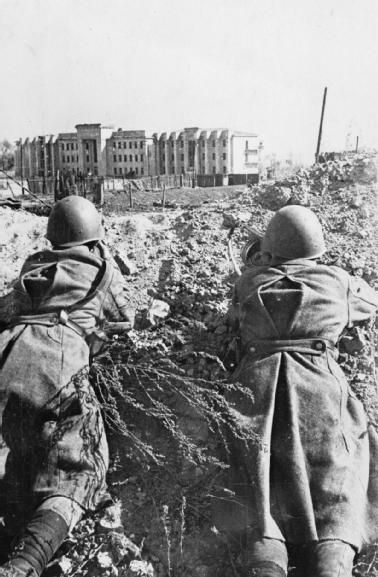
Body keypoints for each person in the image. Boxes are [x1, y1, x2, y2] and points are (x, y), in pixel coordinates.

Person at [215, 205, 378, 577]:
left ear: (269, 250)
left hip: (255, 391)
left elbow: (232, 319)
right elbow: (370, 302)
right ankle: (333, 555)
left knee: (259, 487)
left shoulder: (248, 282)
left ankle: (267, 554)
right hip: (320, 391)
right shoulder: (337, 282)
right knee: (340, 474)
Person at [0, 195, 132, 577]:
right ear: (94, 236)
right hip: (56, 358)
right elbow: (125, 318)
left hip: (8, 353)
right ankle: (26, 563)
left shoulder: (35, 264)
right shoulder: (101, 269)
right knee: (79, 467)